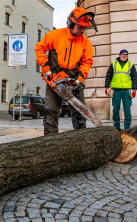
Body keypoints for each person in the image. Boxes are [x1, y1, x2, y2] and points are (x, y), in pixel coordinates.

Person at [35, 7, 98, 135]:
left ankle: (80, 139)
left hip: (74, 78)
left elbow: (87, 62)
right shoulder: (55, 35)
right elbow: (39, 48)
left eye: (84, 28)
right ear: (70, 23)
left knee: (80, 112)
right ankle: (50, 141)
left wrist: (80, 79)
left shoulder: (86, 43)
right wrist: (46, 67)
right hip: (55, 77)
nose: (82, 31)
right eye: (80, 27)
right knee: (51, 110)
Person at [104, 49, 137, 131]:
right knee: (116, 108)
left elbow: (135, 77)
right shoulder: (113, 64)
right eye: (123, 54)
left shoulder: (131, 65)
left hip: (127, 91)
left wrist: (134, 89)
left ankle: (127, 126)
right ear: (119, 55)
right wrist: (106, 87)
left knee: (127, 109)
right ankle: (116, 126)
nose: (124, 55)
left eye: (126, 54)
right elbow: (108, 76)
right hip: (116, 90)